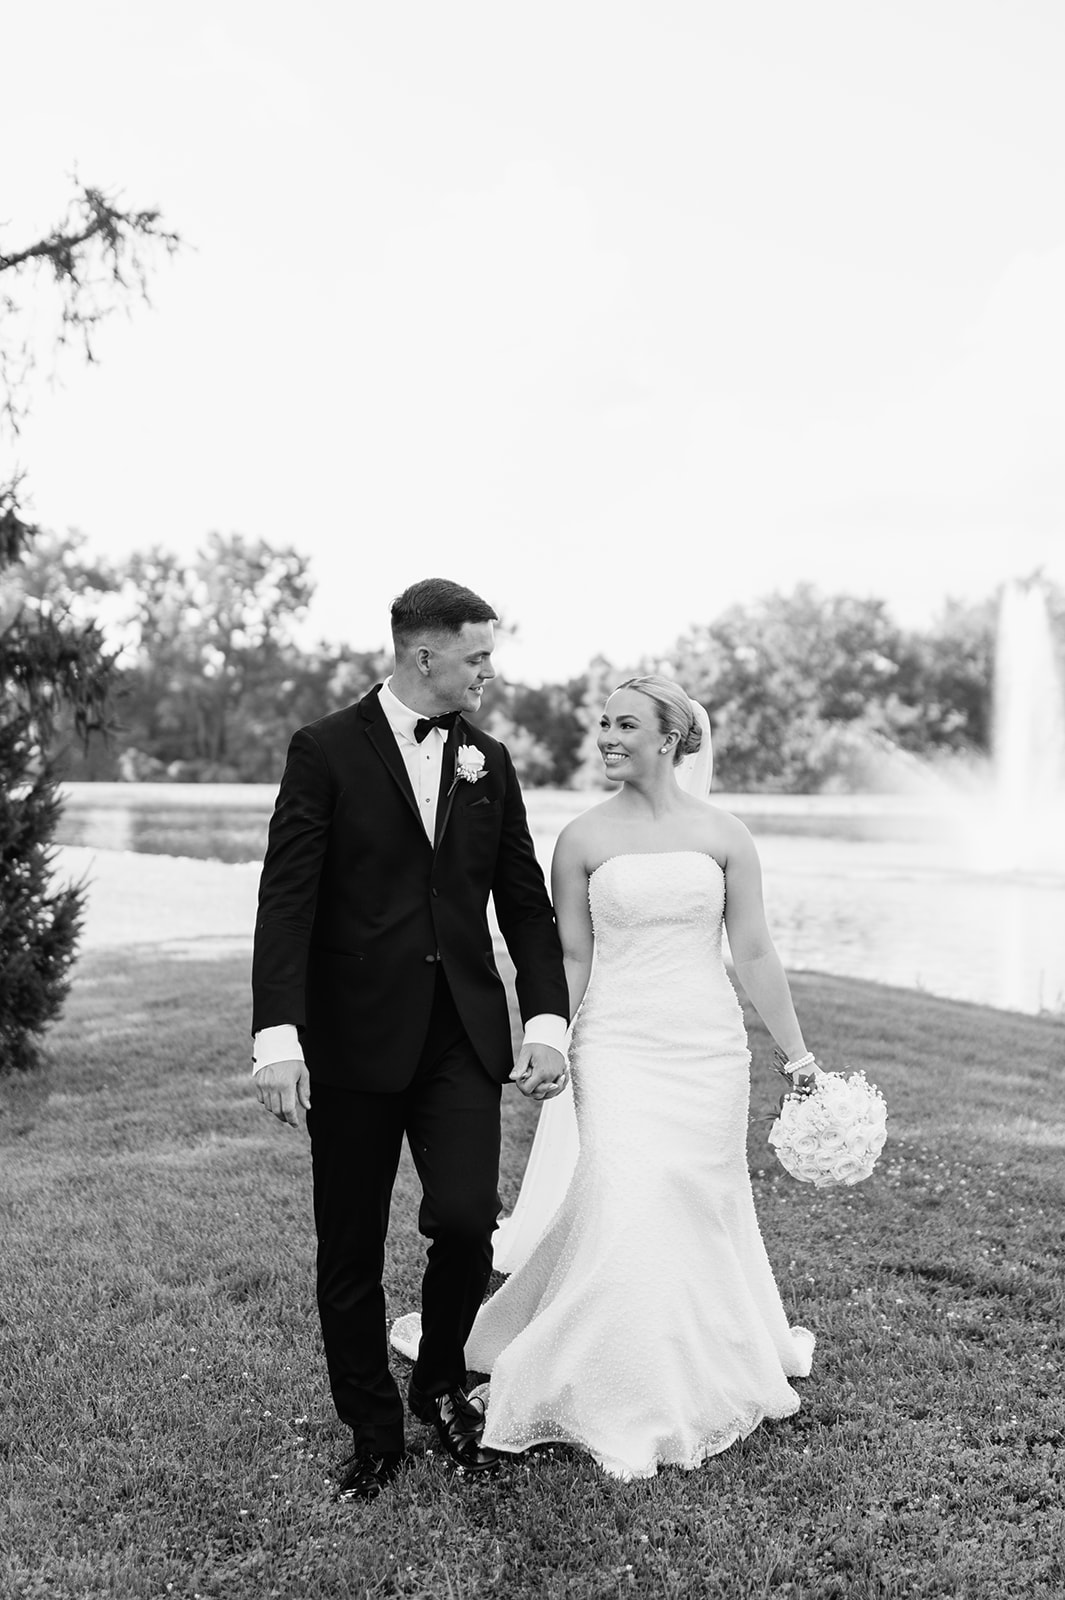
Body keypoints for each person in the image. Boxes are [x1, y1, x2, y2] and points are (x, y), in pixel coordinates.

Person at [251, 578, 569, 1502]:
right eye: (476, 656)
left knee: (469, 1220)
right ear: (423, 655)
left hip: (461, 1036)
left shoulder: (490, 760)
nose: (487, 672)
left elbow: (524, 903)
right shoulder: (323, 750)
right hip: (349, 1039)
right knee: (347, 1245)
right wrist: (279, 1036)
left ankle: (437, 1387)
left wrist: (544, 1021)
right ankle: (372, 1430)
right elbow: (288, 899)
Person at [462, 674, 817, 1480]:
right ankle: (593, 1378)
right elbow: (572, 954)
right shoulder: (582, 838)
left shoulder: (725, 834)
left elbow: (753, 952)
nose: (607, 736)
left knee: (694, 1202)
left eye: (625, 724)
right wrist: (548, 1035)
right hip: (616, 1045)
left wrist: (796, 1057)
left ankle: (688, 1365)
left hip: (705, 1047)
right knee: (626, 1195)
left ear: (670, 737)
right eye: (603, 723)